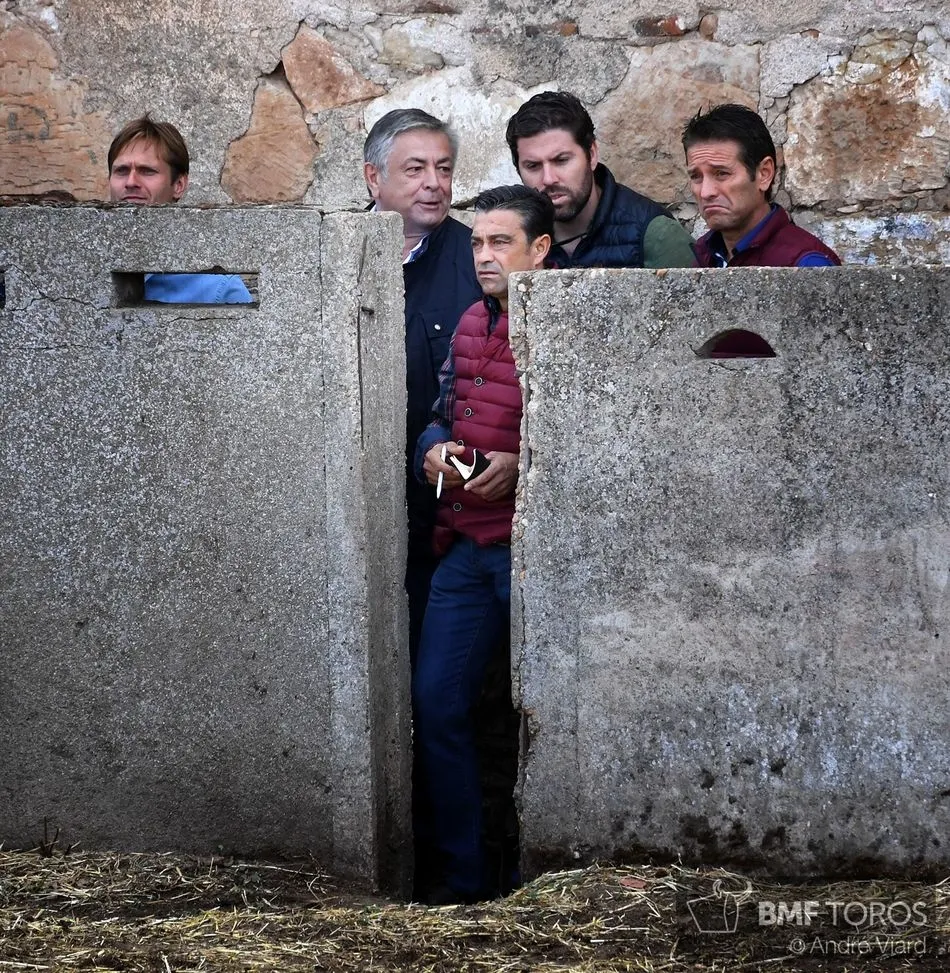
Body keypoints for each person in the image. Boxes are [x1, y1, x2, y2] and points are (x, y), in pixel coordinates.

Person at [412, 185, 554, 903]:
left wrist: (523, 464)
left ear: (540, 250)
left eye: (502, 242)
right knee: (436, 702)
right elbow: (439, 413)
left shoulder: (566, 321)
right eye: (477, 242)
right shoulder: (472, 319)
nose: (484, 255)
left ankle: (542, 880)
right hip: (467, 546)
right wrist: (433, 448)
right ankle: (463, 883)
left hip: (532, 556)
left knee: (549, 718)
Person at [363, 109, 481, 661]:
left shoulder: (476, 258)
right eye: (415, 169)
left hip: (446, 499)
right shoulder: (335, 253)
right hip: (359, 494)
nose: (434, 183)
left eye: (444, 168)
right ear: (374, 178)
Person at [505, 91, 695, 269]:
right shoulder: (510, 238)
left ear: (592, 154)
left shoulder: (654, 234)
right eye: (533, 166)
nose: (548, 179)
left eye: (561, 160)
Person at [107, 116, 253, 303]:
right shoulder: (83, 271)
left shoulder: (218, 289)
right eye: (121, 171)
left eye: (147, 171)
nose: (131, 182)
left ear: (178, 185)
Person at [682, 103, 841, 267]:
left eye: (722, 173)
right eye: (696, 176)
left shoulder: (806, 264)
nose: (706, 192)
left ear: (764, 174)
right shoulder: (705, 255)